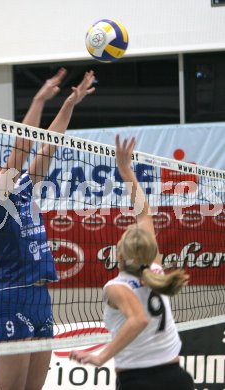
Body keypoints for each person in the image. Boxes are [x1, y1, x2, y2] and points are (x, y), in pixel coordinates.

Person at [0, 69, 95, 390]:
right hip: (12, 297)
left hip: (40, 296)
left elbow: (49, 143)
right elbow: (22, 145)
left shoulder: (23, 188)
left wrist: (70, 102)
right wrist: (39, 99)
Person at [70, 135, 194, 390]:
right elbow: (144, 214)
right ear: (150, 253)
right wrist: (125, 170)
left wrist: (100, 356)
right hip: (176, 378)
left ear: (117, 255)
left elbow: (138, 320)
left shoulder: (117, 287)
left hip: (138, 382)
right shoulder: (156, 268)